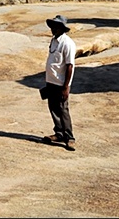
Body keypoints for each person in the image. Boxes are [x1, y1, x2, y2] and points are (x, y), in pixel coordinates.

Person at [41, 14, 76, 151]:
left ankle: (69, 137)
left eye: (55, 27)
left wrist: (66, 86)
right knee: (53, 107)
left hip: (61, 83)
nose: (52, 29)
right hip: (51, 81)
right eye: (52, 26)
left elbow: (69, 66)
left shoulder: (67, 43)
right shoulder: (54, 40)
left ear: (61, 28)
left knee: (63, 109)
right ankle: (59, 133)